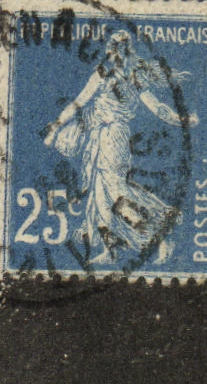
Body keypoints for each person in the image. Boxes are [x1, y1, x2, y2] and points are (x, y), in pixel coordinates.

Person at [41, 30, 196, 264]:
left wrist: (180, 120)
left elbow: (156, 107)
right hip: (99, 136)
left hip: (113, 137)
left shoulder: (130, 77)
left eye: (120, 49)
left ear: (121, 50)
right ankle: (111, 249)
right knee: (98, 193)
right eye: (116, 49)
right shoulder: (106, 73)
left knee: (116, 193)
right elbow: (79, 103)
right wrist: (57, 124)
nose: (116, 54)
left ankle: (160, 237)